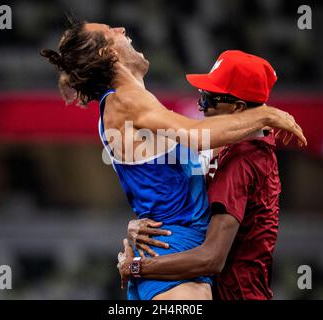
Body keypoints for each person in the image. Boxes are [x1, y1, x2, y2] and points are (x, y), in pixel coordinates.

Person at [40, 19, 306, 300]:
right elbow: (196, 135)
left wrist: (138, 225)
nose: (122, 30)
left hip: (169, 258)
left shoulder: (128, 103)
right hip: (176, 260)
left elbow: (185, 169)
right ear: (109, 54)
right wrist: (267, 114)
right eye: (111, 32)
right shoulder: (125, 100)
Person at [118, 50, 286, 300]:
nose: (200, 106)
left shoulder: (241, 163)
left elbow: (211, 258)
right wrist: (138, 226)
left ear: (237, 107)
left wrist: (135, 268)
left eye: (209, 99)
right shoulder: (232, 148)